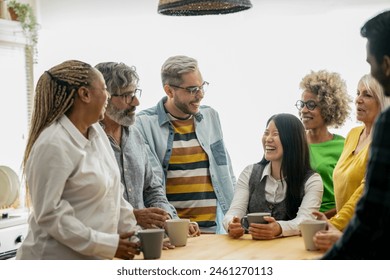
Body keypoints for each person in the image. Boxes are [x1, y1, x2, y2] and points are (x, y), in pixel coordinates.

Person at [16, 60, 140, 260]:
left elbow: (115, 196)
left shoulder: (97, 134)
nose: (108, 96)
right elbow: (50, 214)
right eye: (105, 89)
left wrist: (136, 236)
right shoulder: (53, 144)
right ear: (85, 94)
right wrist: (107, 244)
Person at [95, 62, 200, 237]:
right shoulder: (88, 140)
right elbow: (85, 205)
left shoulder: (135, 134)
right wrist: (132, 217)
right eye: (127, 95)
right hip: (105, 247)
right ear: (104, 98)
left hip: (143, 244)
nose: (136, 102)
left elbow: (152, 189)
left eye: (135, 93)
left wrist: (170, 219)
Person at [135, 55, 235, 234]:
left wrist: (235, 217)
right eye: (192, 89)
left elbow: (226, 171)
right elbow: (153, 184)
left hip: (215, 230)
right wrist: (176, 223)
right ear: (169, 91)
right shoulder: (143, 124)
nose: (200, 95)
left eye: (202, 86)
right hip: (175, 232)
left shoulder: (211, 116)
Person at [322, 10, 390, 259]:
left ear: (386, 65)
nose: (358, 100)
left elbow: (370, 209)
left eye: (372, 64)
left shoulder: (387, 126)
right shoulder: (354, 135)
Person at [223, 113, 323, 239]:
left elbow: (305, 219)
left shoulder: (312, 180)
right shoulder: (249, 173)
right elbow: (233, 212)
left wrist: (279, 228)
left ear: (293, 140)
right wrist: (231, 224)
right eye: (266, 133)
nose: (268, 139)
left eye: (275, 134)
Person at [329, 73, 388, 231]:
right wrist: (327, 217)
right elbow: (347, 193)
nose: (358, 100)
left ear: (383, 102)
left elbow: (364, 192)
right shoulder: (353, 134)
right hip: (343, 229)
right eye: (357, 93)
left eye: (367, 95)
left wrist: (333, 224)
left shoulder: (384, 140)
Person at [296, 70, 351, 218]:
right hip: (297, 221)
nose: (303, 110)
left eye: (311, 105)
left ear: (328, 107)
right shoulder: (295, 143)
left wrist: (324, 218)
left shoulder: (344, 146)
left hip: (333, 220)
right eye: (302, 104)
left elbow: (351, 197)